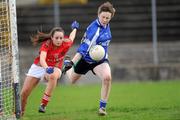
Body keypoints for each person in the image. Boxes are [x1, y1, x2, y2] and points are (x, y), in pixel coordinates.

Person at [63, 1, 115, 116]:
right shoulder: (94, 30)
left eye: (108, 18)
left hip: (100, 60)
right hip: (85, 59)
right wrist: (72, 62)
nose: (105, 20)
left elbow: (111, 10)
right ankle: (67, 64)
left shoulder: (106, 22)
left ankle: (102, 108)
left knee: (107, 78)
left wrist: (111, 9)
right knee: (72, 80)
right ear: (98, 15)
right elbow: (82, 50)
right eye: (103, 17)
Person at [20, 21, 79, 115]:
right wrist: (46, 68)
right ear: (52, 38)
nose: (59, 40)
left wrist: (75, 28)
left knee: (53, 76)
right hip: (39, 67)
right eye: (56, 38)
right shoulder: (47, 44)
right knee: (24, 94)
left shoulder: (66, 43)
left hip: (55, 67)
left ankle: (43, 104)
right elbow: (42, 59)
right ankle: (21, 113)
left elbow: (72, 37)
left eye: (61, 38)